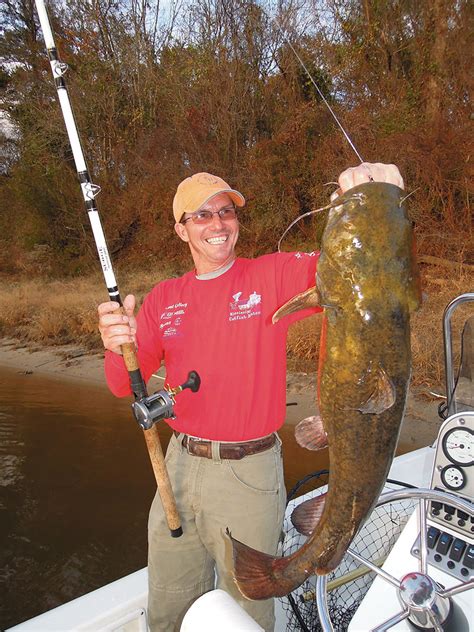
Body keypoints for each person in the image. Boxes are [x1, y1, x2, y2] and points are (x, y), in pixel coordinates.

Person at [98, 163, 404, 631]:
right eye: (201, 216)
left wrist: (378, 199)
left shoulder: (273, 274)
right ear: (181, 230)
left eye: (225, 212)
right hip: (177, 467)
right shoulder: (163, 298)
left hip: (249, 474)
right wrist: (116, 342)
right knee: (169, 604)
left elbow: (364, 272)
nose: (217, 224)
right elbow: (124, 385)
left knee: (246, 611)